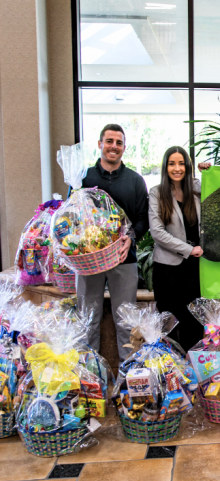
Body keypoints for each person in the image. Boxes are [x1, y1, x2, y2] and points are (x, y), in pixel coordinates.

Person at [77, 124, 149, 361]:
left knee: (127, 323)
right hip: (88, 261)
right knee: (87, 320)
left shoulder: (135, 181)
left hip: (123, 259)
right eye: (109, 141)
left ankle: (129, 383)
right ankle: (89, 379)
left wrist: (131, 237)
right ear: (100, 144)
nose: (113, 147)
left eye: (118, 143)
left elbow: (142, 218)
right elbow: (73, 216)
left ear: (124, 148)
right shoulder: (83, 177)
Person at [149, 146, 204, 351]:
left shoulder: (196, 190)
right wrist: (188, 250)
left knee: (194, 321)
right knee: (169, 324)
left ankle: (194, 373)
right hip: (167, 270)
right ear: (165, 167)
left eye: (181, 163)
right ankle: (171, 374)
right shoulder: (157, 193)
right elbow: (157, 232)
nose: (177, 168)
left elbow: (216, 187)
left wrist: (207, 171)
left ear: (188, 166)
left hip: (194, 270)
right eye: (172, 163)